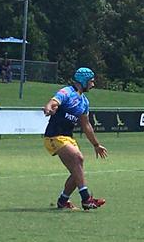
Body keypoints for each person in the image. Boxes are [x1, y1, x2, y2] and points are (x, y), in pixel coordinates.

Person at [43, 67, 107, 210]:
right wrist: (48, 108)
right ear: (83, 80)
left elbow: (86, 125)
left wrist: (96, 145)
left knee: (76, 172)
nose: (93, 84)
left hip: (67, 138)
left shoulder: (84, 102)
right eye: (91, 81)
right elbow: (53, 102)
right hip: (54, 136)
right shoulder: (66, 92)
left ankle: (62, 201)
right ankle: (86, 199)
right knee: (78, 158)